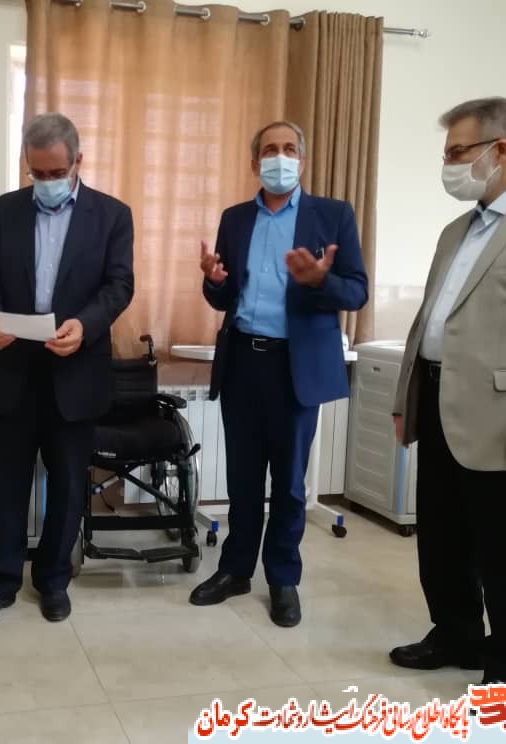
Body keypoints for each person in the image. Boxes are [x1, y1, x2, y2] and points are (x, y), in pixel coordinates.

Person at [390, 97, 506, 687]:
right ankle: (457, 634)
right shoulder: (456, 230)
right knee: (442, 541)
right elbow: (429, 321)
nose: (448, 165)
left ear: (501, 149)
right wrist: (406, 401)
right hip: (440, 404)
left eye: (457, 152)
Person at [191, 121, 368, 627]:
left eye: (289, 149)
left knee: (289, 483)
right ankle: (235, 570)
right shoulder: (235, 218)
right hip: (243, 360)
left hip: (295, 366)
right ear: (255, 163)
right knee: (243, 477)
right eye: (270, 149)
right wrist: (213, 281)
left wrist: (320, 281)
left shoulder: (332, 215)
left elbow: (356, 291)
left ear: (302, 161)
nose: (280, 157)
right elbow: (226, 296)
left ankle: (283, 578)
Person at [0, 112, 134, 628]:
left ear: (78, 161)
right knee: (5, 483)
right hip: (14, 366)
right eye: (37, 173)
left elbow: (119, 285)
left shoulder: (112, 216)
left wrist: (86, 324)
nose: (46, 182)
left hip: (75, 369)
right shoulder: (3, 211)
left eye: (56, 173)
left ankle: (54, 580)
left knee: (67, 484)